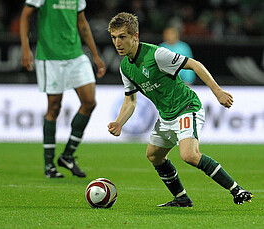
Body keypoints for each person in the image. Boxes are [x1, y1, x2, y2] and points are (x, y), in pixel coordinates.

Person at [107, 12, 253, 207]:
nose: (117, 43)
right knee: (153, 155)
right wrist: (119, 122)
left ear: (135, 36)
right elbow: (130, 101)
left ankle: (237, 190)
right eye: (114, 38)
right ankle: (182, 198)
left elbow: (195, 65)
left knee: (189, 155)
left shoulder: (156, 54)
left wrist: (218, 92)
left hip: (186, 107)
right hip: (166, 115)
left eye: (122, 37)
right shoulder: (125, 67)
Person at [20, 0, 106, 178]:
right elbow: (24, 16)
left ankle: (67, 155)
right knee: (54, 107)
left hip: (75, 55)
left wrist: (95, 55)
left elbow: (82, 22)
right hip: (50, 57)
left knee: (89, 102)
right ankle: (49, 165)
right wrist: (26, 48)